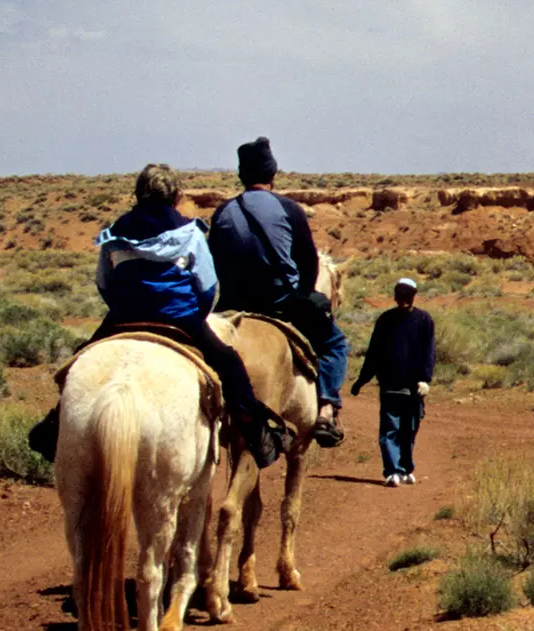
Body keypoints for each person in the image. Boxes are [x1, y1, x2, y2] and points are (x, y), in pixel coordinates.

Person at [29, 164, 289, 466]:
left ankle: (54, 427)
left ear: (138, 194)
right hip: (181, 318)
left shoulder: (115, 233)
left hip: (123, 317)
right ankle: (256, 433)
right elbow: (207, 287)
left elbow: (105, 283)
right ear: (176, 196)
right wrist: (195, 313)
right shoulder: (189, 232)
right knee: (230, 364)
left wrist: (123, 306)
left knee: (79, 361)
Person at [207, 137, 349, 447]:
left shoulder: (222, 213)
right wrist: (301, 294)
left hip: (232, 305)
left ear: (241, 175)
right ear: (273, 173)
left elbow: (214, 260)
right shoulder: (289, 210)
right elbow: (308, 262)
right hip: (282, 304)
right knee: (334, 342)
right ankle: (326, 409)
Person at [349, 278, 435, 488]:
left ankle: (405, 469)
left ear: (413, 296)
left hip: (414, 387)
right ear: (396, 296)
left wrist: (425, 379)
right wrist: (361, 380)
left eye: (406, 296)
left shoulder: (424, 320)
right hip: (390, 384)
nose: (403, 300)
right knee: (390, 428)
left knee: (409, 428)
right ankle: (393, 471)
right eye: (400, 295)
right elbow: (374, 354)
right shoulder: (385, 320)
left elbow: (429, 352)